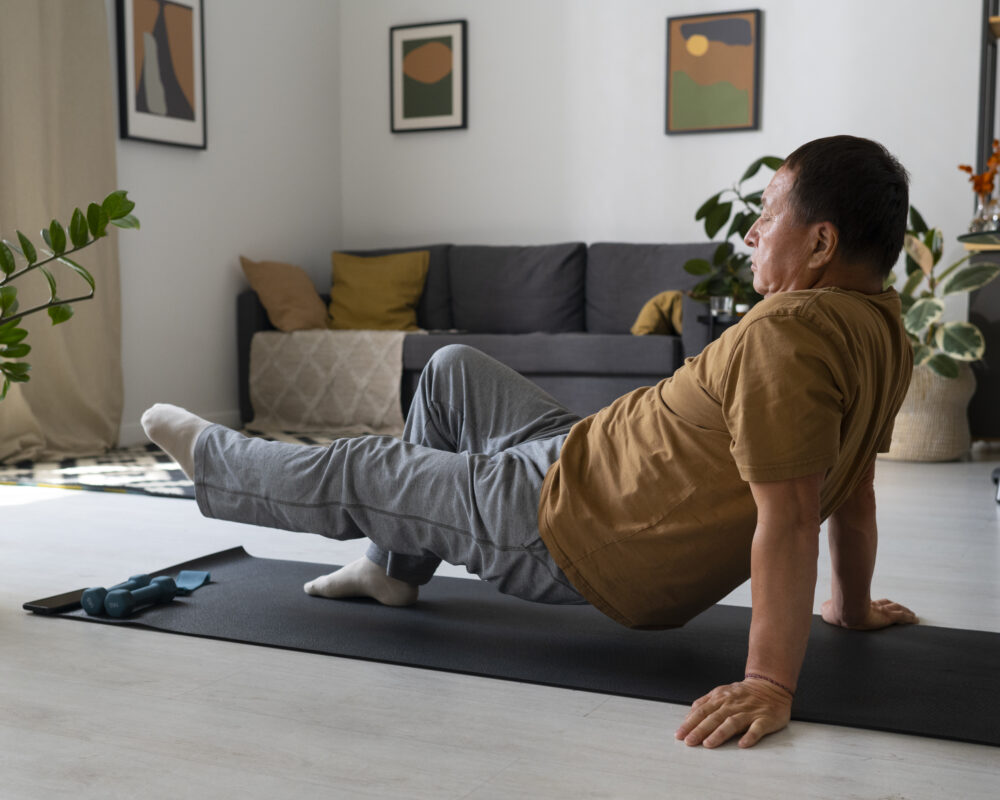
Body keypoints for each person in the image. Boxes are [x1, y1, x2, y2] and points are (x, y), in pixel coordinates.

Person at [142, 134, 919, 750]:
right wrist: (847, 608)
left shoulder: (787, 332)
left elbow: (789, 516)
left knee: (368, 465)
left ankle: (213, 459)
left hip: (572, 528)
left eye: (769, 212)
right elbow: (853, 484)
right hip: (584, 457)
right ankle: (392, 568)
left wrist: (769, 683)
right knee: (450, 370)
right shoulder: (885, 327)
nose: (751, 230)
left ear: (820, 243)